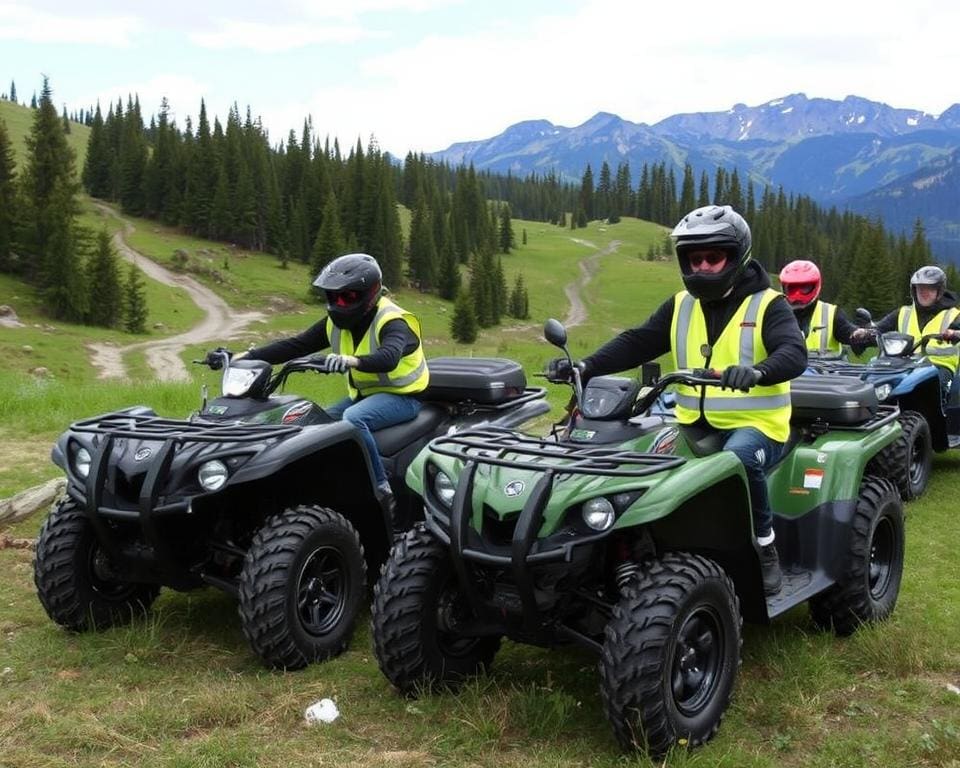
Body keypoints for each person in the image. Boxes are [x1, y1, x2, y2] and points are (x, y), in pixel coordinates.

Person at [551, 205, 807, 595]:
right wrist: (585, 366)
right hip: (690, 422)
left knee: (737, 462)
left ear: (737, 258)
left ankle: (765, 548)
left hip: (758, 426)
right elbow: (637, 341)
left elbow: (793, 352)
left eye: (713, 257)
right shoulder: (681, 305)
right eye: (694, 258)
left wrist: (757, 372)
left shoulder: (768, 304)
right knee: (637, 457)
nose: (703, 266)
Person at [237, 253, 429, 516]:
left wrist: (351, 361)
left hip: (404, 397)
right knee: (314, 420)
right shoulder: (335, 324)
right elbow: (296, 345)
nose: (338, 303)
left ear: (369, 293)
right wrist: (245, 356)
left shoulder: (394, 321)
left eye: (347, 297)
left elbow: (389, 357)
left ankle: (381, 488)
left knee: (352, 420)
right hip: (364, 396)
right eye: (332, 296)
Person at [870, 265, 960, 402]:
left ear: (939, 291)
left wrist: (955, 333)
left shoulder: (953, 315)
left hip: (939, 368)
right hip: (905, 366)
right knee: (873, 382)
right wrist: (864, 332)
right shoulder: (903, 312)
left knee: (932, 395)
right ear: (914, 290)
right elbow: (878, 328)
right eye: (920, 287)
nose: (924, 292)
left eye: (930, 288)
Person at [778, 259, 873, 355]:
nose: (798, 294)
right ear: (783, 288)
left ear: (816, 286)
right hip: (781, 369)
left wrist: (863, 334)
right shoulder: (773, 314)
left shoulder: (830, 313)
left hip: (826, 369)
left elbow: (849, 332)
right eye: (792, 288)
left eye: (804, 288)